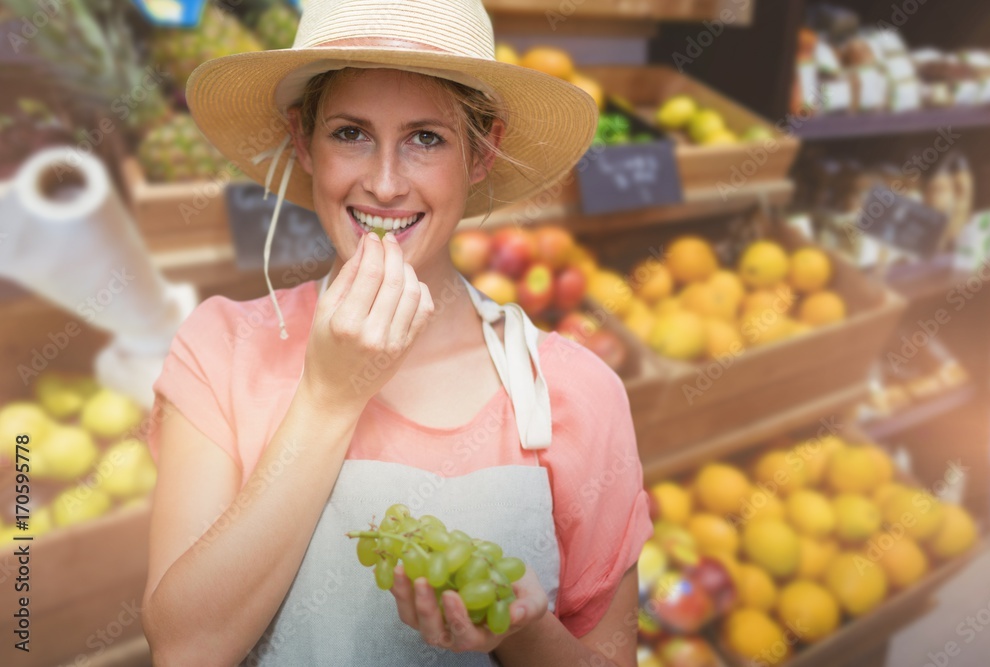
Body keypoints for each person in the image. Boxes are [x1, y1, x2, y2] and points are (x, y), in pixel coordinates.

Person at [141, 1, 652, 665]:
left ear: (482, 151)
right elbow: (186, 649)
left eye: (427, 138)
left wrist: (524, 629)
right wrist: (329, 395)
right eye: (350, 133)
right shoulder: (219, 349)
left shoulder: (577, 391)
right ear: (303, 140)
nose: (383, 184)